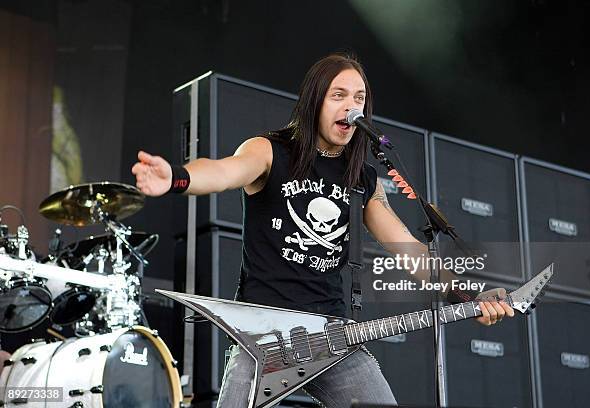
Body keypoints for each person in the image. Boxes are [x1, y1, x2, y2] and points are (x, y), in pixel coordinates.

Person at [132, 53, 514, 407]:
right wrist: (177, 178)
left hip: (333, 337)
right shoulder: (270, 151)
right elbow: (222, 172)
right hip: (263, 336)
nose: (352, 106)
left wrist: (468, 294)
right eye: (339, 95)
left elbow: (408, 248)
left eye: (360, 98)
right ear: (315, 100)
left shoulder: (363, 179)